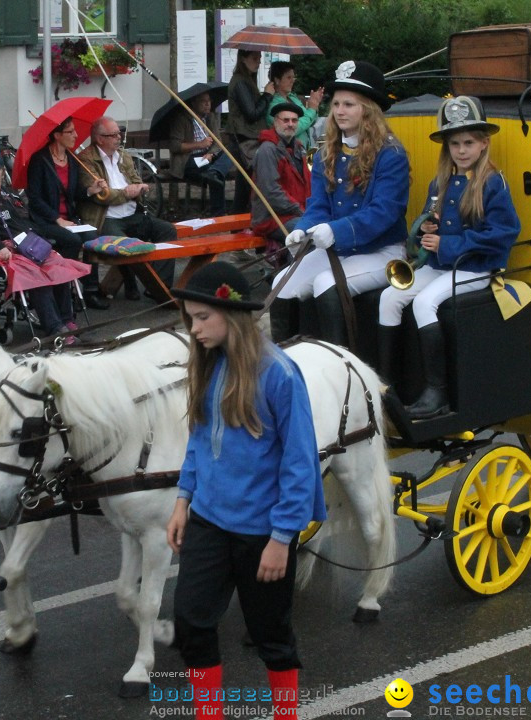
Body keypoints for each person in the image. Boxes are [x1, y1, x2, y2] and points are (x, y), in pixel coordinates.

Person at [167, 262, 324, 720]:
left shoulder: (279, 374)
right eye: (190, 319)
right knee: (192, 622)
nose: (194, 329)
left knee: (270, 636)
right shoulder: (209, 362)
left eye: (201, 318)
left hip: (262, 532)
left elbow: (300, 465)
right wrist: (182, 499)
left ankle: (285, 714)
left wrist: (281, 539)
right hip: (210, 520)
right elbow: (199, 437)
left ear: (231, 316)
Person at [378, 96, 519, 419]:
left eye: (469, 142)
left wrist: (448, 243)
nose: (461, 150)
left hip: (477, 268)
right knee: (389, 297)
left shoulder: (493, 183)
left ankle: (437, 392)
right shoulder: (439, 182)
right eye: (455, 143)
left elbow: (504, 233)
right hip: (442, 266)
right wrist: (428, 225)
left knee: (424, 302)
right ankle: (388, 387)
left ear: (484, 144)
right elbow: (435, 222)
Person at [274, 60, 409, 346]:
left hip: (383, 251)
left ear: (368, 110)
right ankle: (285, 365)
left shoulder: (391, 154)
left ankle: (343, 367)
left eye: (349, 104)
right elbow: (319, 205)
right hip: (338, 248)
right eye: (336, 104)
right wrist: (304, 230)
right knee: (281, 284)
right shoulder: (326, 154)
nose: (339, 111)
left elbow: (384, 212)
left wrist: (338, 230)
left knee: (325, 282)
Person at [0, 150, 90, 340]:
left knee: (59, 267)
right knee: (35, 274)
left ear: (2, 172)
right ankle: (55, 329)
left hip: (29, 244)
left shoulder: (12, 196)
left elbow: (29, 221)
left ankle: (66, 320)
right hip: (2, 250)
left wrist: (41, 238)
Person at [77, 116, 177, 300]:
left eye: (120, 133)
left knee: (168, 230)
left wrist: (135, 190)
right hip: (106, 218)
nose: (119, 138)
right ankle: (131, 281)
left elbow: (138, 183)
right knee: (125, 245)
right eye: (114, 135)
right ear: (100, 139)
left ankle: (159, 285)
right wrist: (127, 193)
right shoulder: (86, 160)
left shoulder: (124, 156)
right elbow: (102, 196)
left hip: (133, 213)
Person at [26, 116, 110, 309]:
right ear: (57, 135)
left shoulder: (72, 159)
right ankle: (67, 289)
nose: (76, 135)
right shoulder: (40, 161)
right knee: (71, 241)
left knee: (91, 238)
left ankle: (89, 290)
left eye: (74, 131)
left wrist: (91, 190)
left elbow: (75, 192)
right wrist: (57, 219)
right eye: (70, 132)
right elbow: (35, 199)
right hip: (46, 221)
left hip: (70, 220)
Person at [250, 102, 311, 267]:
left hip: (296, 212)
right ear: (275, 122)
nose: (290, 124)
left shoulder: (298, 148)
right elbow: (271, 193)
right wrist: (301, 211)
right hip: (272, 217)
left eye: (294, 120)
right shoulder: (267, 150)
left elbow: (308, 184)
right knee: (307, 234)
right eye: (286, 120)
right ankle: (289, 276)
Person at [168, 91, 234, 217]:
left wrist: (211, 155)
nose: (207, 104)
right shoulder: (182, 119)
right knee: (215, 175)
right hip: (188, 159)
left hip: (207, 156)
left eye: (209, 101)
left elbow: (217, 142)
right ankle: (219, 213)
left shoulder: (210, 118)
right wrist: (200, 144)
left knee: (230, 153)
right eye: (203, 101)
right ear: (194, 103)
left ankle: (215, 172)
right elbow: (175, 146)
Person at [224, 50, 273, 213]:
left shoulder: (247, 80)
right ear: (243, 59)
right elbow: (251, 114)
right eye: (254, 58)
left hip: (247, 137)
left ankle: (238, 226)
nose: (258, 62)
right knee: (245, 187)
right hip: (244, 140)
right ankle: (237, 227)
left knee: (245, 186)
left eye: (259, 58)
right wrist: (267, 95)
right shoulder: (240, 82)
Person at [264, 61, 323, 150]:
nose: (293, 80)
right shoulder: (272, 104)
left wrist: (315, 104)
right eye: (288, 77)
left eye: (293, 77)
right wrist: (312, 110)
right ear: (277, 80)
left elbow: (309, 121)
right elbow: (295, 127)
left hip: (302, 149)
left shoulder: (293, 98)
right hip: (287, 151)